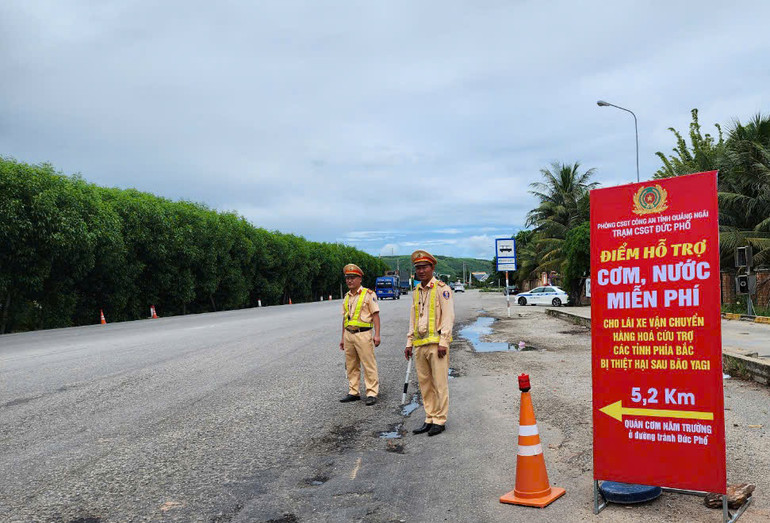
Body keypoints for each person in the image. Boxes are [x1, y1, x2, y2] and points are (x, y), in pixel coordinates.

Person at [404, 250, 455, 436]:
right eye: (418, 268)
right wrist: (409, 342)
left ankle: (440, 420)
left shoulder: (443, 289)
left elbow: (448, 317)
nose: (421, 270)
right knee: (425, 384)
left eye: (424, 267)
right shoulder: (416, 291)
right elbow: (413, 318)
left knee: (439, 384)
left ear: (432, 268)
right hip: (420, 345)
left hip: (437, 346)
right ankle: (429, 417)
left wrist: (444, 341)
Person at [339, 263, 381, 405]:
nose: (349, 280)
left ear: (360, 279)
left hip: (363, 334)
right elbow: (344, 318)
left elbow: (375, 315)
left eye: (353, 277)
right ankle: (353, 391)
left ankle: (372, 392)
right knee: (351, 365)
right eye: (347, 278)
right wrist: (342, 338)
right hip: (349, 334)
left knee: (368, 364)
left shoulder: (368, 294)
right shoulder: (346, 297)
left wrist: (377, 334)